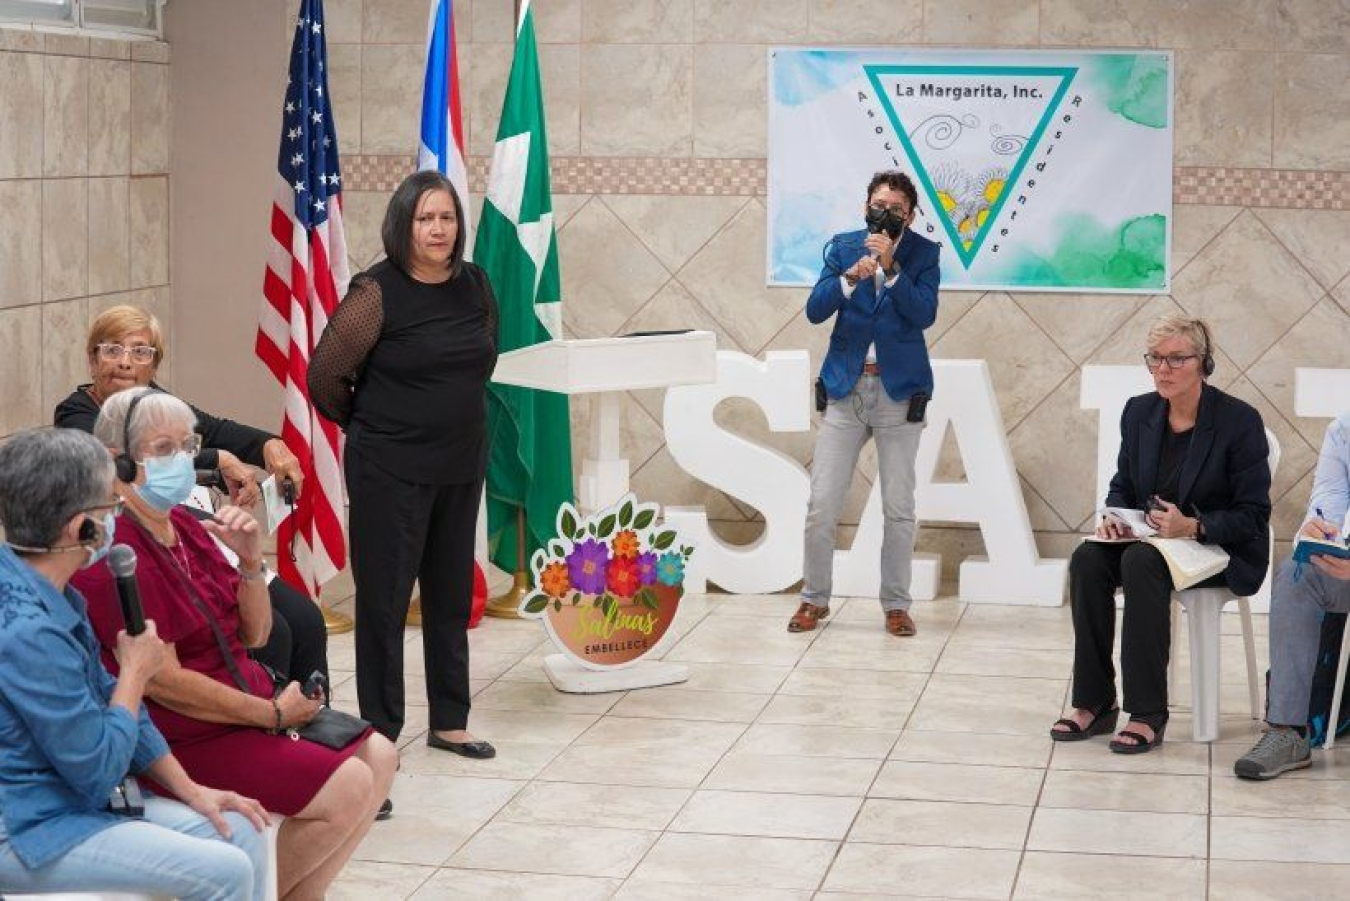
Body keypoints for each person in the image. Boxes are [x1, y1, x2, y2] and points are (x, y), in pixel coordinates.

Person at [71, 388, 396, 898]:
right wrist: (270, 715)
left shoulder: (184, 525)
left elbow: (255, 634)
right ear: (118, 460)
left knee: (380, 756)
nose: (181, 460)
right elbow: (167, 682)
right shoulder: (116, 550)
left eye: (186, 446)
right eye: (163, 449)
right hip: (184, 737)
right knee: (348, 788)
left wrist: (249, 562)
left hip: (240, 707)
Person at [0, 427, 269, 901]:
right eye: (111, 506)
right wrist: (136, 674)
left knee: (239, 830)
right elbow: (99, 768)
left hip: (69, 797)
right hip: (28, 824)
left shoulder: (51, 587)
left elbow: (112, 700)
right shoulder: (26, 632)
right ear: (80, 527)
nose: (117, 519)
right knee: (224, 870)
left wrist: (192, 790)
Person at [309, 169, 497, 759]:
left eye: (447, 218)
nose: (438, 229)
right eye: (426, 219)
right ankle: (380, 734)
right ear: (403, 225)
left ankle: (449, 719)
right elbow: (324, 379)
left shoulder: (476, 285)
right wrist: (377, 427)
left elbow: (483, 361)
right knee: (385, 604)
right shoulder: (376, 292)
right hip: (388, 469)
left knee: (448, 596)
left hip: (460, 464)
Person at [54, 304, 329, 690]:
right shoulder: (77, 413)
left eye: (140, 352)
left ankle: (316, 724)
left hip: (190, 535)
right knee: (274, 633)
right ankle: (267, 722)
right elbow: (124, 456)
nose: (125, 362)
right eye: (111, 349)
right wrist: (218, 459)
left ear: (154, 366)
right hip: (143, 542)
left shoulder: (153, 401)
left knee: (306, 620)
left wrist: (270, 446)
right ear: (92, 359)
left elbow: (217, 429)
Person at [1052, 315, 1271, 753]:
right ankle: (1095, 701)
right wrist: (1114, 515)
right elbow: (1124, 484)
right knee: (1087, 559)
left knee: (1142, 562)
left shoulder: (1238, 421)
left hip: (1217, 546)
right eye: (1155, 359)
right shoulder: (1139, 412)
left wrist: (1194, 526)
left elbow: (1254, 514)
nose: (1163, 370)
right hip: (1152, 541)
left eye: (1176, 359)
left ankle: (1148, 712)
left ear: (1204, 364)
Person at [790, 169, 941, 638]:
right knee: (822, 503)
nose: (886, 213)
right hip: (845, 388)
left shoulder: (924, 253)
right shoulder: (842, 247)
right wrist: (850, 281)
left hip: (898, 393)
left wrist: (892, 267)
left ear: (911, 215)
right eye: (879, 204)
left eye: (897, 208)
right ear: (865, 207)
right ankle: (814, 599)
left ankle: (896, 605)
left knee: (898, 506)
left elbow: (924, 312)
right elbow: (816, 309)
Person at [1234, 411, 1350, 779]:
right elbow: (1328, 499)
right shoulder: (1344, 429)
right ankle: (1288, 732)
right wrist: (1317, 534)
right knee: (1296, 576)